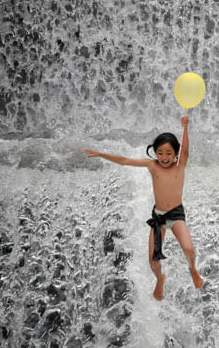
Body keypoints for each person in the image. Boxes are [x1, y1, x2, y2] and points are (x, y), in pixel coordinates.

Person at [81, 116, 204, 300]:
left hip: (176, 215)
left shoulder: (180, 166)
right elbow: (125, 160)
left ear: (176, 154)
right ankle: (160, 278)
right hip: (159, 216)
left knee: (189, 249)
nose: (164, 157)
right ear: (154, 153)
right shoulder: (151, 165)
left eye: (169, 153)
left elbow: (185, 149)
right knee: (153, 261)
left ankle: (193, 270)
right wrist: (101, 154)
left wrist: (184, 128)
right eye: (160, 153)